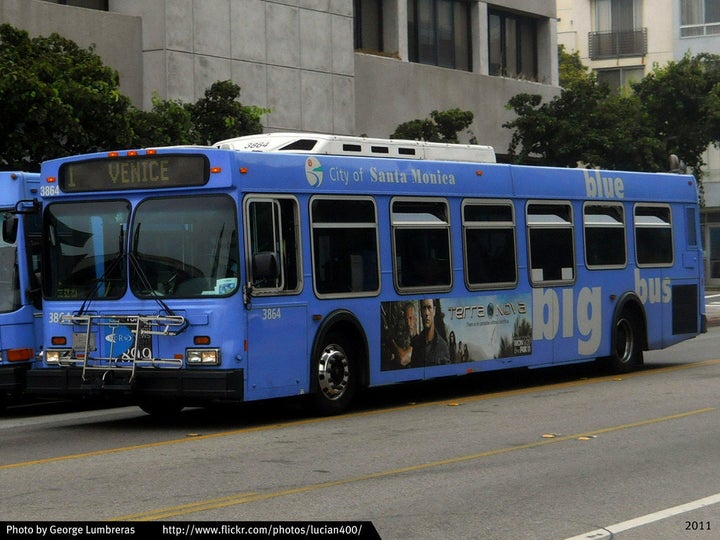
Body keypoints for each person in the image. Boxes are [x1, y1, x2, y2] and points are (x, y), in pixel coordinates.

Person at [410, 298, 450, 366]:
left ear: (434, 311)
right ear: (421, 312)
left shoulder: (442, 346)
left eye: (429, 308)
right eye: (424, 308)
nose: (426, 313)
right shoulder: (416, 344)